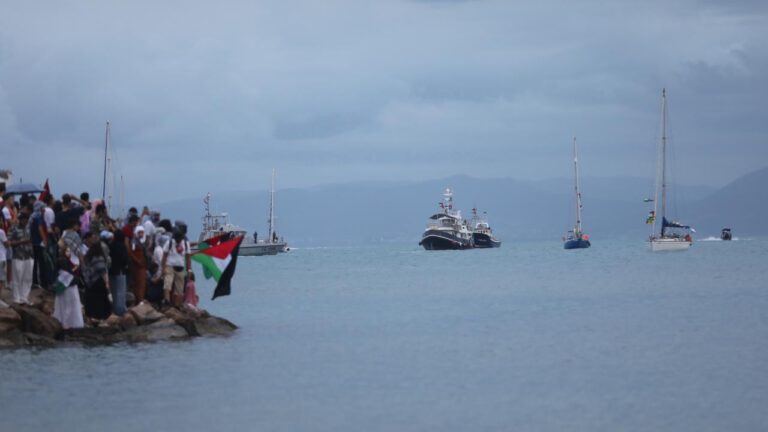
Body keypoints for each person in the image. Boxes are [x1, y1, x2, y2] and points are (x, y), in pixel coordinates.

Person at [53, 243, 85, 329]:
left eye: (69, 251)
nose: (69, 253)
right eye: (67, 251)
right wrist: (76, 268)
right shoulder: (62, 261)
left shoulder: (69, 261)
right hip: (67, 285)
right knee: (69, 305)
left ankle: (68, 323)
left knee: (68, 305)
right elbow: (68, 272)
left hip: (69, 285)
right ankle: (68, 323)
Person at [83, 232, 112, 321]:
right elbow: (102, 270)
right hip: (99, 281)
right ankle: (101, 317)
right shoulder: (99, 257)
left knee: (92, 300)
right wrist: (107, 283)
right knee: (101, 300)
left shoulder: (88, 256)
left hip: (90, 282)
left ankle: (92, 317)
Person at [161, 223, 190, 307]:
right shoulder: (169, 242)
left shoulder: (185, 244)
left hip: (180, 267)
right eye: (177, 238)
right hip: (170, 265)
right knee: (167, 283)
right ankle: (167, 301)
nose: (178, 240)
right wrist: (163, 268)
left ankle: (177, 305)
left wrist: (189, 270)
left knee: (179, 288)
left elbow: (188, 258)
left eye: (179, 238)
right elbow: (164, 256)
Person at [8, 212, 34, 305]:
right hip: (18, 256)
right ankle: (16, 298)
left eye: (27, 220)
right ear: (20, 219)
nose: (26, 222)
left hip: (29, 255)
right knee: (17, 278)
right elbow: (9, 242)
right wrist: (22, 242)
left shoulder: (28, 228)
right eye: (24, 220)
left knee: (28, 278)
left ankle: (24, 297)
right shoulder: (14, 228)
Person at [127, 225, 149, 303]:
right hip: (136, 265)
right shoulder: (134, 241)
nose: (141, 234)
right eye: (139, 232)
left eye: (142, 232)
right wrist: (137, 260)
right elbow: (131, 252)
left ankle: (140, 300)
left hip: (143, 265)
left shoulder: (145, 241)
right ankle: (138, 300)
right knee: (137, 283)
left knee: (142, 283)